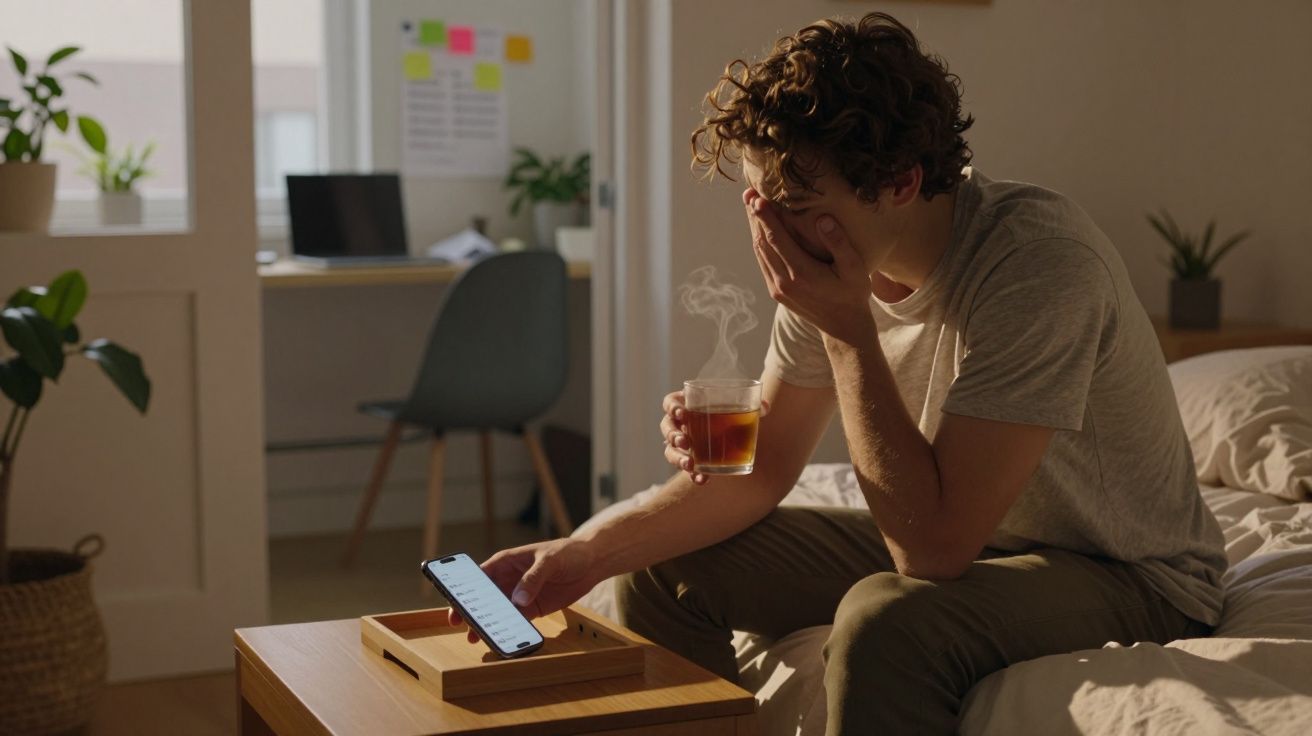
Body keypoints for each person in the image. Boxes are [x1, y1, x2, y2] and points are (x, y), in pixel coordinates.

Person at [453, 12, 1226, 734]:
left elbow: (933, 554)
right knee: (666, 571)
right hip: (987, 540)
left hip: (1128, 573)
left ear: (899, 184)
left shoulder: (1038, 265)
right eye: (758, 199)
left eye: (792, 202)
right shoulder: (829, 261)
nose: (769, 232)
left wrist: (852, 332)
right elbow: (757, 477)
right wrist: (579, 556)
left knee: (884, 619)